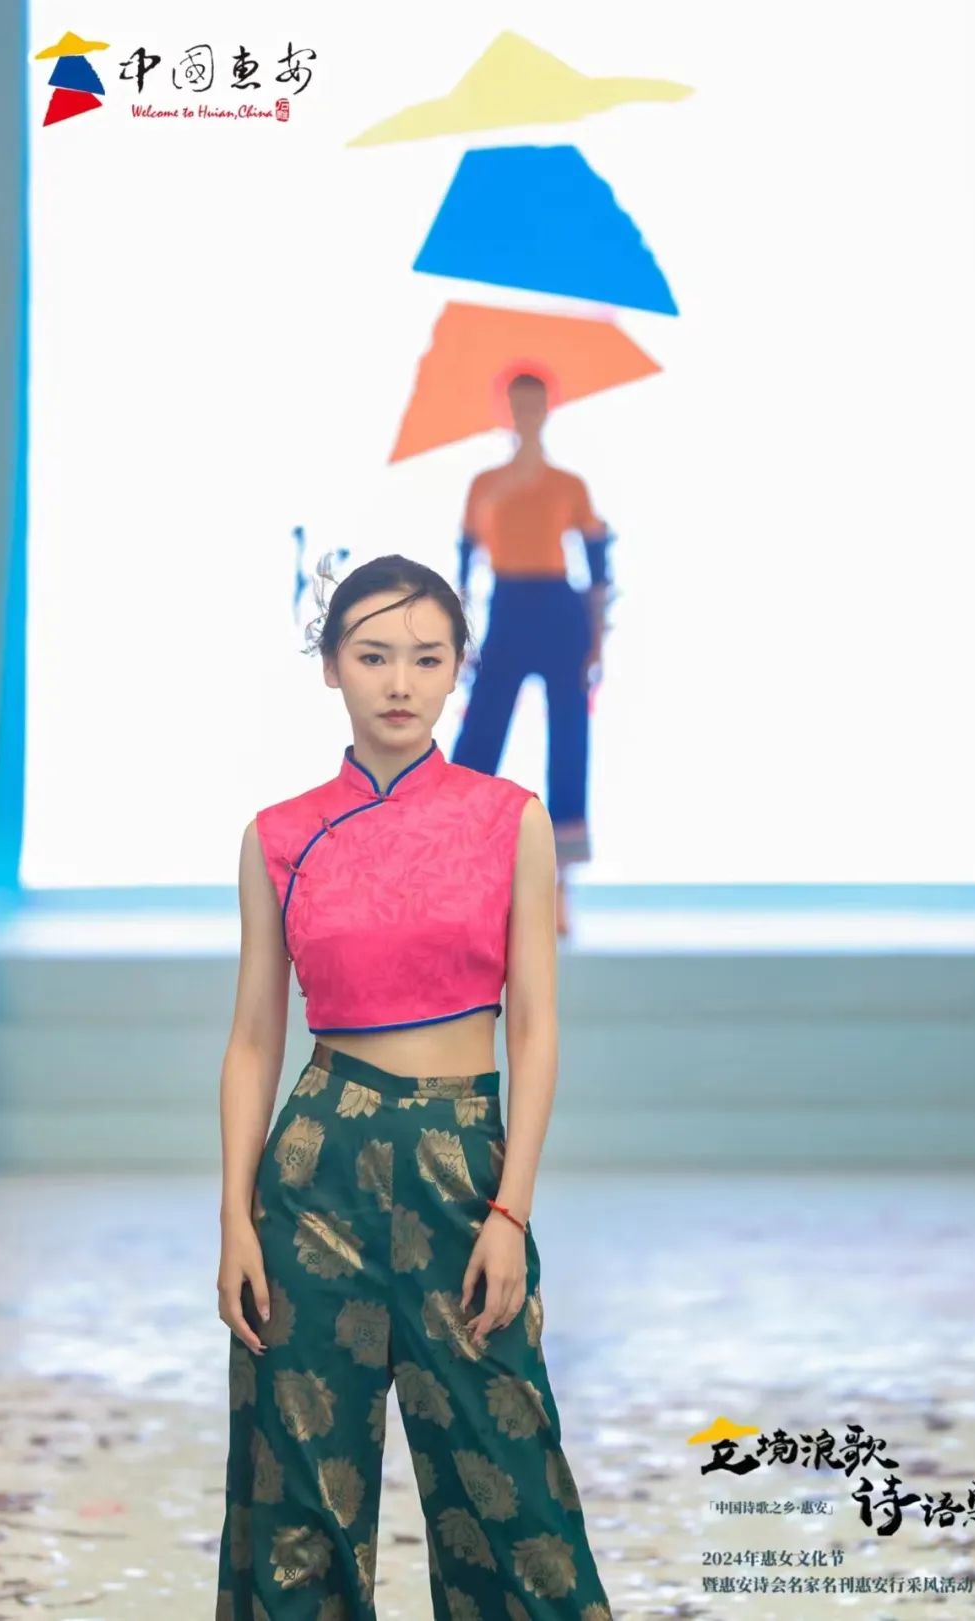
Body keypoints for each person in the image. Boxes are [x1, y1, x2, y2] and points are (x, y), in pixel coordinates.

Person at [215, 554, 614, 1620]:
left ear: (459, 670)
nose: (400, 682)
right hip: (315, 1173)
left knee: (514, 1497)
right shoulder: (278, 835)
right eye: (373, 656)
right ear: (331, 668)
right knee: (299, 1509)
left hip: (464, 1168)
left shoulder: (510, 818)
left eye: (427, 659)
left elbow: (534, 1024)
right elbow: (254, 1037)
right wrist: (237, 1219)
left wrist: (510, 1210)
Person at [451, 372, 615, 937]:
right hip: (507, 607)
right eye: (519, 404)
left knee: (569, 739)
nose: (527, 414)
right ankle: (459, 869)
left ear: (547, 409)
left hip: (558, 609)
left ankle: (561, 886)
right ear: (508, 410)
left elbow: (598, 566)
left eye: (535, 404)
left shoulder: (568, 485)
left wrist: (597, 639)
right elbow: (465, 569)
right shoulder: (485, 485)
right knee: (479, 735)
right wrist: (458, 640)